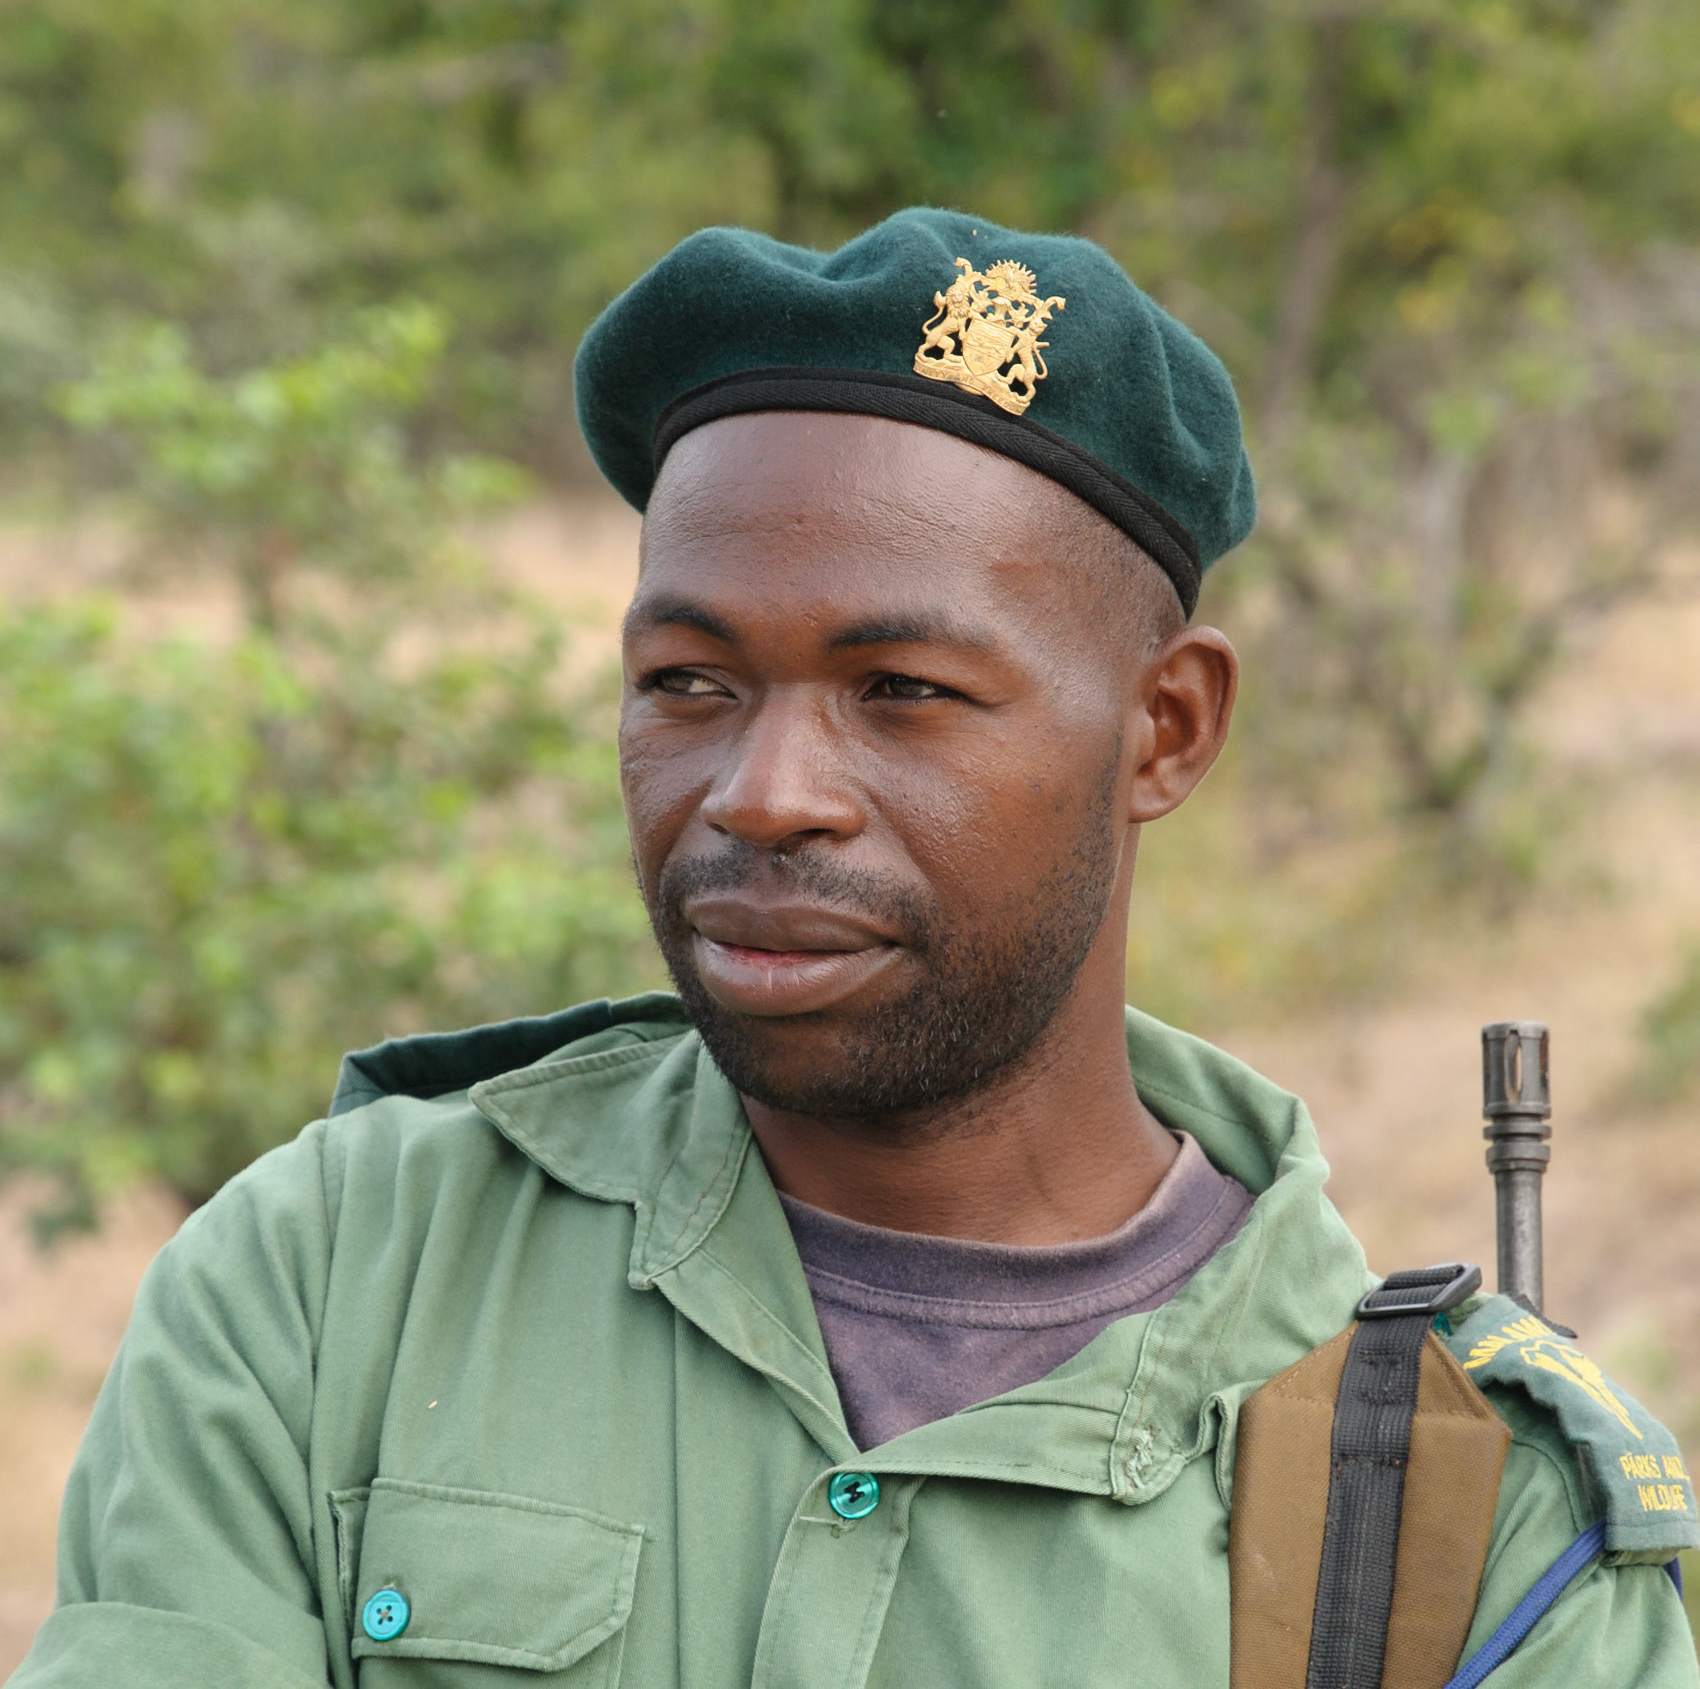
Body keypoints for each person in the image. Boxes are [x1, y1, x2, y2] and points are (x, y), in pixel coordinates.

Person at [10, 209, 1696, 1689]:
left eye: (905, 694)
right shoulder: (336, 1283)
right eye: (690, 683)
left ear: (1164, 732)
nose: (764, 795)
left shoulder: (1459, 1515)